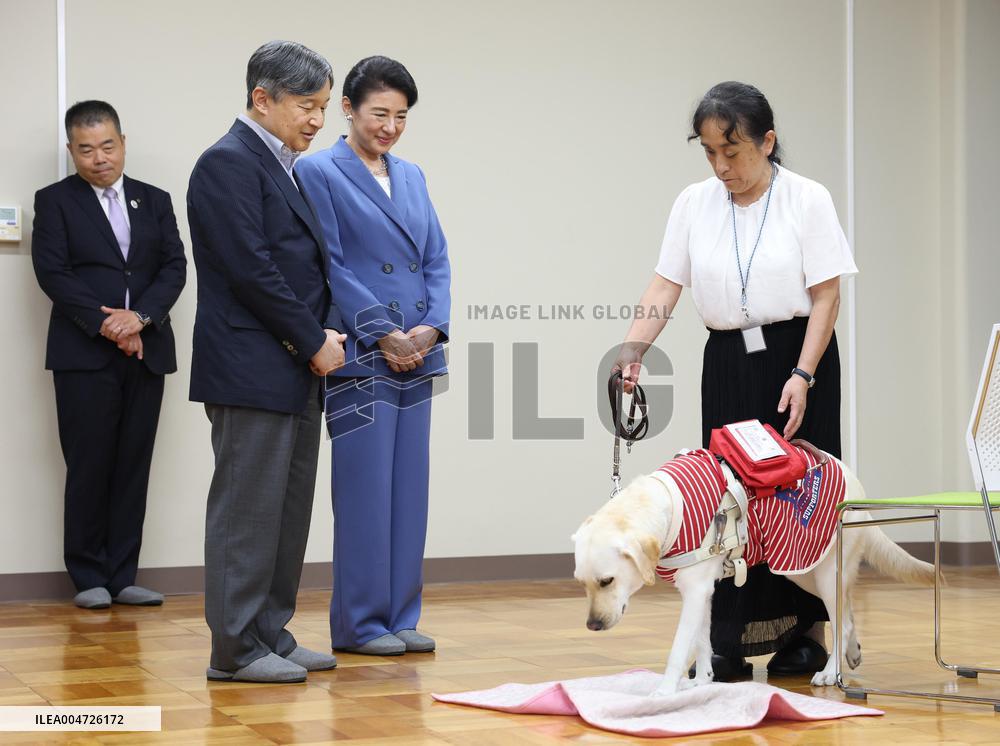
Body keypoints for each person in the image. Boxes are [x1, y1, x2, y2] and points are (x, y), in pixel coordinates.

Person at [613, 81, 857, 681]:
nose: (723, 166)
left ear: (767, 142)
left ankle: (806, 634)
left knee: (799, 499)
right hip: (726, 360)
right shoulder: (694, 203)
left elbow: (827, 294)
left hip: (797, 359)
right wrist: (632, 350)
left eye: (735, 151)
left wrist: (804, 372)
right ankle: (728, 638)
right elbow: (665, 284)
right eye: (710, 152)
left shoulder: (807, 198)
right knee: (728, 502)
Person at [187, 40, 347, 684]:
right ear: (262, 98)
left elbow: (302, 266)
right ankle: (234, 650)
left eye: (323, 107)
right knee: (245, 513)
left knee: (285, 512)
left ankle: (269, 633)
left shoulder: (280, 164)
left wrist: (323, 331)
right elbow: (250, 271)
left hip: (292, 367)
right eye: (306, 106)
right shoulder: (227, 162)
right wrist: (313, 340)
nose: (316, 120)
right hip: (253, 365)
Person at [297, 55, 451, 656]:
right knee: (365, 490)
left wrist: (432, 327)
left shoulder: (411, 175)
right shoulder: (319, 172)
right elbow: (328, 264)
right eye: (379, 113)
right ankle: (360, 623)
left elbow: (436, 256)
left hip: (419, 349)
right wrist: (385, 332)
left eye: (401, 116)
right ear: (349, 110)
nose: (389, 126)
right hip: (363, 352)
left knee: (409, 488)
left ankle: (402, 615)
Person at [31, 100, 187, 610]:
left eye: (107, 146)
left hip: (146, 351)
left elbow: (174, 267)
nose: (99, 158)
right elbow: (54, 274)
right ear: (71, 150)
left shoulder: (155, 199)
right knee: (89, 463)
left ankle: (123, 576)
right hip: (84, 354)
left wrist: (138, 319)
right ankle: (88, 576)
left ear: (123, 142)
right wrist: (108, 325)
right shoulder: (54, 202)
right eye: (86, 149)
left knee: (132, 464)